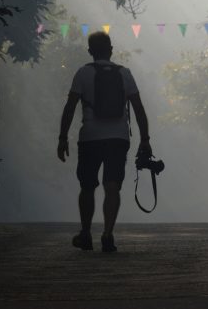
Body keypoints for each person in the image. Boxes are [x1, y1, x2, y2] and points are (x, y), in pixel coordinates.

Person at [57, 31, 151, 253]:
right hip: (118, 138)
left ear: (90, 51)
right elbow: (138, 108)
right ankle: (108, 234)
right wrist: (145, 139)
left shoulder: (83, 73)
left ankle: (86, 233)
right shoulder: (124, 73)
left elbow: (70, 107)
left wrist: (62, 137)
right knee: (112, 187)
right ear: (111, 49)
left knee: (87, 186)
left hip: (90, 137)